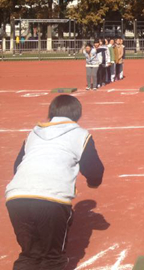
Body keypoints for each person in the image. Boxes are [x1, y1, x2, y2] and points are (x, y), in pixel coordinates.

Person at [5, 95, 104, 270]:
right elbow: (93, 169)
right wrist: (93, 183)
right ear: (77, 114)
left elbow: (17, 166)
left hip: (16, 197)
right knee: (52, 258)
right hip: (52, 198)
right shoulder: (80, 134)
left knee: (29, 254)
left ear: (51, 112)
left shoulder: (34, 132)